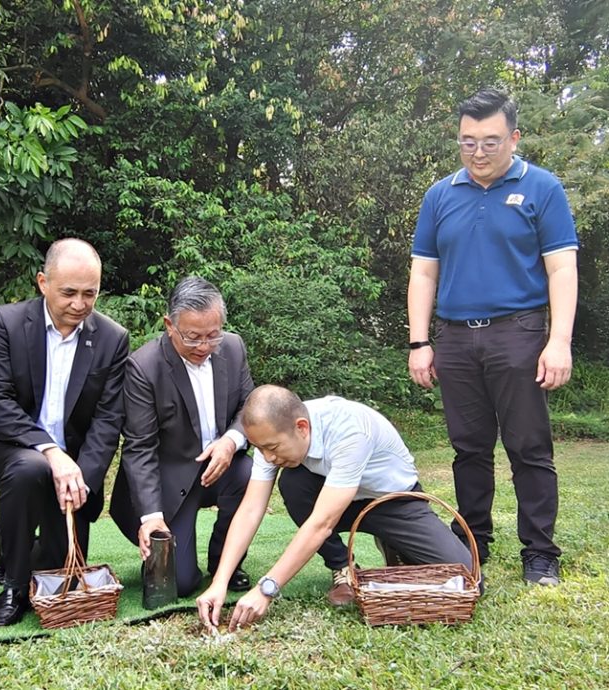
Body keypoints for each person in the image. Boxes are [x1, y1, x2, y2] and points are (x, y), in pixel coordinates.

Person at [407, 88, 578, 586]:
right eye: (467, 142)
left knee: (528, 447)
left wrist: (559, 339)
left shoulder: (542, 188)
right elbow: (423, 274)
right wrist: (420, 342)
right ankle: (472, 542)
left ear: (514, 137)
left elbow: (562, 268)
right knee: (469, 448)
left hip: (519, 333)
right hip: (455, 339)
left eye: (490, 142)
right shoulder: (440, 195)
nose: (478, 153)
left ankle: (540, 553)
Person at [197, 385, 475, 631]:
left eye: (273, 447)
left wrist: (266, 588)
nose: (268, 457)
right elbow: (250, 510)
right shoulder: (269, 438)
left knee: (467, 578)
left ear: (301, 427)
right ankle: (343, 566)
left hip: (393, 501)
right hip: (332, 496)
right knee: (294, 483)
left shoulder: (350, 430)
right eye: (260, 449)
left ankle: (392, 540)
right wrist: (219, 582)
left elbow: (321, 524)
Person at [0, 238, 129, 626]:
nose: (79, 304)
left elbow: (107, 421)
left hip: (78, 460)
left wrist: (82, 477)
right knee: (29, 470)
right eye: (68, 292)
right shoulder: (6, 323)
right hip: (15, 446)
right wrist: (52, 453)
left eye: (90, 293)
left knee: (59, 568)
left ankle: (10, 538)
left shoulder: (112, 338)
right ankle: (14, 589)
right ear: (42, 282)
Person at [111, 276, 254, 597]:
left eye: (212, 336)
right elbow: (140, 448)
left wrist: (230, 441)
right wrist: (151, 517)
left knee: (249, 474)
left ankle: (225, 563)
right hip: (170, 479)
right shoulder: (143, 367)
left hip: (221, 468)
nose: (204, 347)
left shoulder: (232, 347)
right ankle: (172, 557)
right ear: (169, 325)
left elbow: (250, 407)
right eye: (192, 338)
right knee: (183, 584)